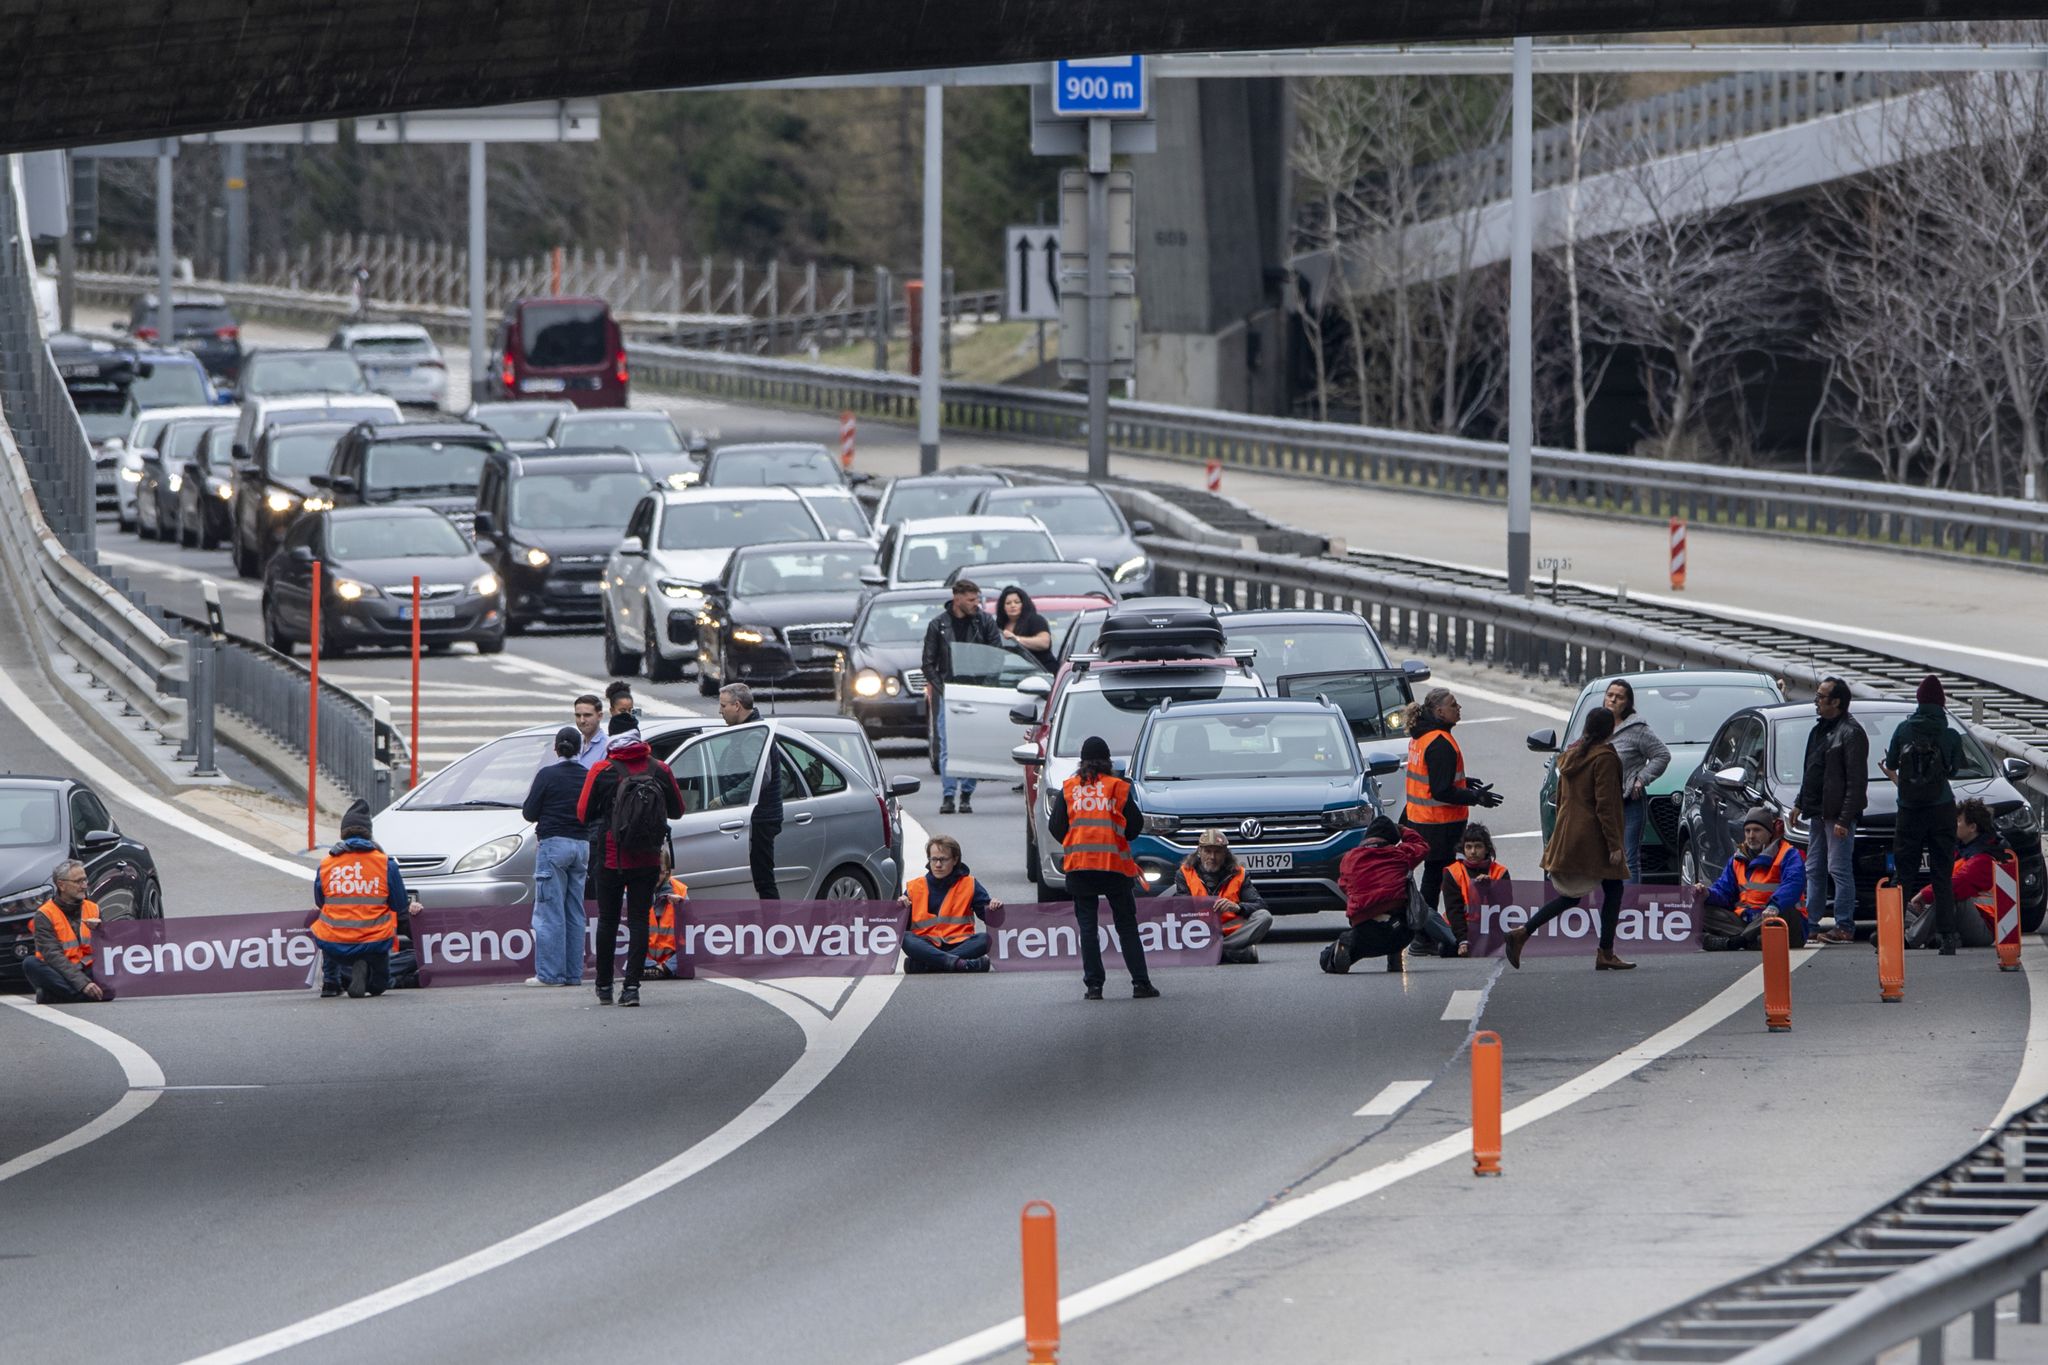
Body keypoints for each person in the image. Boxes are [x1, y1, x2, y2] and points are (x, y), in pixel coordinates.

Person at [1506, 706, 1632, 971]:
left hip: (1570, 833)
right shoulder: (1605, 758)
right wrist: (1614, 845)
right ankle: (1604, 952)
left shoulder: (1570, 756)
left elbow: (1561, 799)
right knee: (1610, 889)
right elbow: (1606, 805)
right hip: (1594, 837)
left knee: (1575, 894)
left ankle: (1525, 932)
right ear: (1611, 730)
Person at [577, 712, 684, 1006]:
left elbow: (583, 813)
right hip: (648, 857)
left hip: (611, 856)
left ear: (611, 736)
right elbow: (678, 810)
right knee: (639, 920)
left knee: (609, 920)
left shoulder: (602, 769)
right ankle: (632, 987)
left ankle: (603, 986)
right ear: (639, 734)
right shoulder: (659, 768)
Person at [1049, 735, 1156, 1000]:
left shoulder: (1070, 789)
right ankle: (1141, 984)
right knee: (1126, 926)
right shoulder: (1116, 787)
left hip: (1080, 868)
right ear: (1108, 761)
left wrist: (1077, 840)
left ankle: (1094, 987)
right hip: (1114, 868)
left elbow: (1056, 827)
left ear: (1082, 761)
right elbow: (1134, 827)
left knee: (1088, 928)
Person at [1401, 688, 1503, 929]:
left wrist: (1464, 783)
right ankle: (1427, 932)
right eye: (1453, 705)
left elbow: (1432, 779)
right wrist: (1476, 797)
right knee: (1439, 877)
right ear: (1439, 711)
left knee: (1433, 875)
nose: (1459, 709)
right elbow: (1441, 791)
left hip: (1421, 820)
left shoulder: (1422, 736)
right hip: (1439, 824)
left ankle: (1428, 931)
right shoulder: (1440, 743)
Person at [1882, 674, 1966, 955]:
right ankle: (1947, 937)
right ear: (1942, 704)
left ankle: (1892, 933)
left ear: (1918, 701)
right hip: (1941, 808)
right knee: (1942, 874)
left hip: (1909, 810)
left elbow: (1892, 762)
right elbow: (1955, 770)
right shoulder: (1950, 734)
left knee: (1903, 874)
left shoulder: (1903, 730)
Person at [311, 799, 411, 999]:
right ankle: (376, 984)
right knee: (381, 982)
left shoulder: (327, 864)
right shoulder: (385, 864)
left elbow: (320, 901)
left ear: (342, 833)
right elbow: (399, 905)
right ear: (369, 832)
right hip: (374, 942)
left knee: (327, 929)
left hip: (335, 944)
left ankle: (331, 983)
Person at [922, 578, 1003, 815]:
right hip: (950, 690)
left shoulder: (985, 622)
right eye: (971, 599)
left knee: (972, 744)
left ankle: (966, 794)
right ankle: (948, 795)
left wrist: (986, 686)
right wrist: (943, 689)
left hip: (976, 690)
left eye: (977, 599)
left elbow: (997, 655)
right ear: (956, 598)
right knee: (947, 745)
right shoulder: (938, 625)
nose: (975, 604)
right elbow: (928, 664)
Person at [1801, 677, 1870, 944]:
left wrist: (1844, 818)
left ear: (1836, 702)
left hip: (1837, 815)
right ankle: (1812, 923)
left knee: (1838, 869)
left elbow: (1856, 781)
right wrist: (1799, 803)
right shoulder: (1819, 730)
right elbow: (1811, 771)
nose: (1816, 701)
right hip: (1818, 812)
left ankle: (1844, 926)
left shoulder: (1851, 733)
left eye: (1820, 696)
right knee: (1814, 868)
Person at [522, 726, 591, 986]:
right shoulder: (587, 776)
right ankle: (573, 974)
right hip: (581, 846)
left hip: (553, 845)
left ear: (555, 749)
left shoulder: (546, 775)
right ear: (580, 748)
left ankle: (550, 974)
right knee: (575, 911)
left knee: (550, 911)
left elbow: (529, 812)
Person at [1323, 817, 1428, 974]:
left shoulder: (1350, 858)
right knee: (1400, 905)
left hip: (1365, 930)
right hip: (1401, 930)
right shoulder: (1400, 854)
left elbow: (1343, 885)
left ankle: (1345, 945)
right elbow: (1422, 846)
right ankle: (1394, 957)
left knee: (1326, 957)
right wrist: (1403, 830)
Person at [1906, 798, 2010, 950]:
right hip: (1963, 922)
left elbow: (1956, 884)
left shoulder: (1984, 859)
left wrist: (1923, 895)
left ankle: (1910, 939)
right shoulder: (1963, 851)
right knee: (1905, 906)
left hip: (1983, 929)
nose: (1954, 824)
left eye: (1959, 821)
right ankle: (1939, 937)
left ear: (1972, 827)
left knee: (1948, 897)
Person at [1700, 807, 1809, 951]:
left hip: (1781, 921)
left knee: (1785, 910)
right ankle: (1749, 940)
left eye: (1757, 830)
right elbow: (1724, 892)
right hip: (1748, 923)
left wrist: (1774, 906)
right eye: (1747, 831)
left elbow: (1793, 884)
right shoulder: (1737, 859)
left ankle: (1738, 941)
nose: (1751, 836)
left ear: (1769, 833)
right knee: (1702, 910)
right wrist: (1707, 894)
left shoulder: (1789, 854)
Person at [898, 834, 1000, 974]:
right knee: (905, 938)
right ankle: (957, 963)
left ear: (955, 860)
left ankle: (927, 965)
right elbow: (900, 926)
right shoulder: (914, 887)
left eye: (943, 859)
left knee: (985, 939)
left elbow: (992, 920)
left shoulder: (969, 884)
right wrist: (901, 908)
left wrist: (994, 908)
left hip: (960, 943)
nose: (938, 865)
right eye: (934, 859)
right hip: (926, 945)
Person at [719, 683, 783, 899]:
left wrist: (725, 798)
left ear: (737, 705)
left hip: (760, 818)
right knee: (759, 877)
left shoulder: (754, 734)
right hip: (757, 816)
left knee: (764, 879)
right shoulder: (748, 730)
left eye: (723, 706)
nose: (720, 711)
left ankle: (774, 930)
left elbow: (760, 778)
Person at [1173, 829, 1273, 964]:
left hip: (1231, 932)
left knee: (1264, 916)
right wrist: (1200, 905)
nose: (1212, 857)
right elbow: (1179, 909)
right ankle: (1232, 953)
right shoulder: (1184, 872)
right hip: (1198, 931)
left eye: (1217, 852)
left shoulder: (1239, 873)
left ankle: (1217, 951)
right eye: (1208, 851)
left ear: (1225, 853)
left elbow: (1259, 904)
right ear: (1199, 852)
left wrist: (1237, 907)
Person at [1604, 680, 1670, 882]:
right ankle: (1601, 907)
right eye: (1610, 695)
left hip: (1628, 803)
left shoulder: (1636, 729)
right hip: (1602, 803)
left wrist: (1641, 779)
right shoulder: (1599, 724)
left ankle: (1630, 910)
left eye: (1619, 697)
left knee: (1628, 857)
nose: (1613, 700)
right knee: (1600, 856)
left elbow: (1662, 755)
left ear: (1628, 702)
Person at [24, 861, 115, 1004]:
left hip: (89, 969)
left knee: (111, 981)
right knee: (30, 964)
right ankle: (86, 995)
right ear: (61, 885)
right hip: (61, 971)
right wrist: (83, 984)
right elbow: (53, 956)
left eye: (85, 880)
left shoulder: (93, 908)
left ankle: (54, 996)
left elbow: (111, 949)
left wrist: (100, 931)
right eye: (78, 881)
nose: (84, 885)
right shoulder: (44, 914)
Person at [1439, 823, 1510, 958]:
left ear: (1486, 849)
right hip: (1459, 926)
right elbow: (1454, 909)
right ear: (1463, 849)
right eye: (1468, 847)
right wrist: (1462, 940)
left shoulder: (1500, 872)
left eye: (1478, 846)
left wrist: (1489, 889)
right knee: (1444, 946)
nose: (1473, 852)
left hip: (1488, 928)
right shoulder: (1452, 872)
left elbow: (1505, 910)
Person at [994, 584, 1056, 673]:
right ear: (1002, 607)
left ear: (1024, 604)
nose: (1013, 605)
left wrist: (1016, 639)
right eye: (1008, 603)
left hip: (1042, 671)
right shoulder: (999, 624)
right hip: (1010, 672)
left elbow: (1044, 642)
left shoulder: (1035, 620)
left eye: (1017, 602)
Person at [572, 693, 609, 768]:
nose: (582, 720)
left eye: (587, 715)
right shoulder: (572, 744)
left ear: (600, 716)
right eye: (578, 716)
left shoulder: (608, 747)